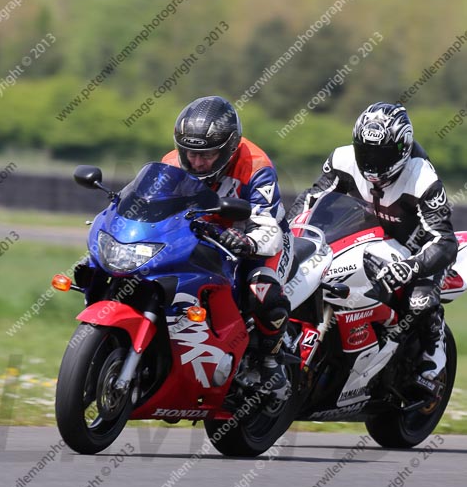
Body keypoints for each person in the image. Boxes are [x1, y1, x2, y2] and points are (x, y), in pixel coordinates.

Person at [287, 101, 458, 399]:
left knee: (419, 300)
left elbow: (444, 242)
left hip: (416, 249)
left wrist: (412, 267)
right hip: (364, 235)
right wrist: (288, 231)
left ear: (402, 150)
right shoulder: (342, 159)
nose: (372, 161)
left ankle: (434, 357)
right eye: (366, 151)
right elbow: (312, 197)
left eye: (382, 154)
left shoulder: (422, 179)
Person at [162, 95, 294, 397]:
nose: (195, 162)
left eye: (206, 155)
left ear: (229, 149)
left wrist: (246, 242)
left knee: (263, 292)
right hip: (204, 233)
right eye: (189, 153)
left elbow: (268, 227)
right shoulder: (173, 163)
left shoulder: (256, 166)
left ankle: (270, 362)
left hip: (259, 237)